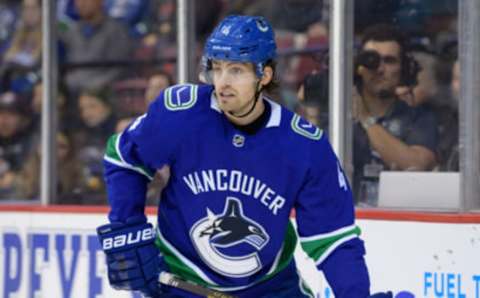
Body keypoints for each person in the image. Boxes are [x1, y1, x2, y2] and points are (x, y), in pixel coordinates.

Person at [97, 15, 374, 297]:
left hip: (270, 289)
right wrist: (126, 223)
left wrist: (355, 294)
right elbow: (124, 157)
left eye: (236, 70)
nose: (223, 83)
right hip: (182, 283)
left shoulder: (305, 146)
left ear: (264, 75)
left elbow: (334, 239)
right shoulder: (181, 114)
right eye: (217, 68)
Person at [352, 24, 438, 206]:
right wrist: (312, 110)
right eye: (371, 60)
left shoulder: (420, 118)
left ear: (404, 69)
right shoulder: (336, 116)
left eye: (389, 61)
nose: (379, 69)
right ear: (359, 67)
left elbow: (416, 165)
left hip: (398, 222)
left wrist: (365, 119)